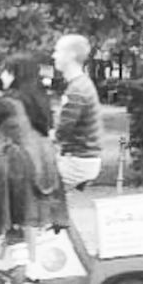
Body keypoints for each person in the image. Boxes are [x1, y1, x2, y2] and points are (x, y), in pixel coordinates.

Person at [0, 53, 68, 242]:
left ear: (14, 75)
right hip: (46, 173)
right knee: (26, 224)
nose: (1, 77)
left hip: (15, 173)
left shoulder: (3, 103)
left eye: (4, 72)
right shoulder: (42, 104)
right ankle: (22, 258)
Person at [51, 33, 104, 190]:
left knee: (28, 187)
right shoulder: (80, 85)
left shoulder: (77, 90)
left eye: (58, 51)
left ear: (71, 55)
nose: (54, 56)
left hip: (78, 162)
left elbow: (61, 132)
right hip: (80, 159)